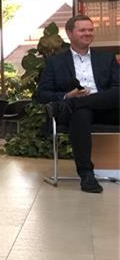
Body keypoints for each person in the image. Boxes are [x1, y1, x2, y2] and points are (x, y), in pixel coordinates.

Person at [35, 14, 119, 194]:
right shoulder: (54, 62)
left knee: (109, 95)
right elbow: (41, 94)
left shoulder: (107, 58)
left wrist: (76, 101)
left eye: (90, 30)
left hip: (106, 108)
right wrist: (67, 95)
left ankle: (76, 103)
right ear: (69, 33)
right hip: (79, 115)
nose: (88, 33)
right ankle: (86, 174)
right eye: (83, 30)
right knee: (81, 112)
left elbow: (117, 88)